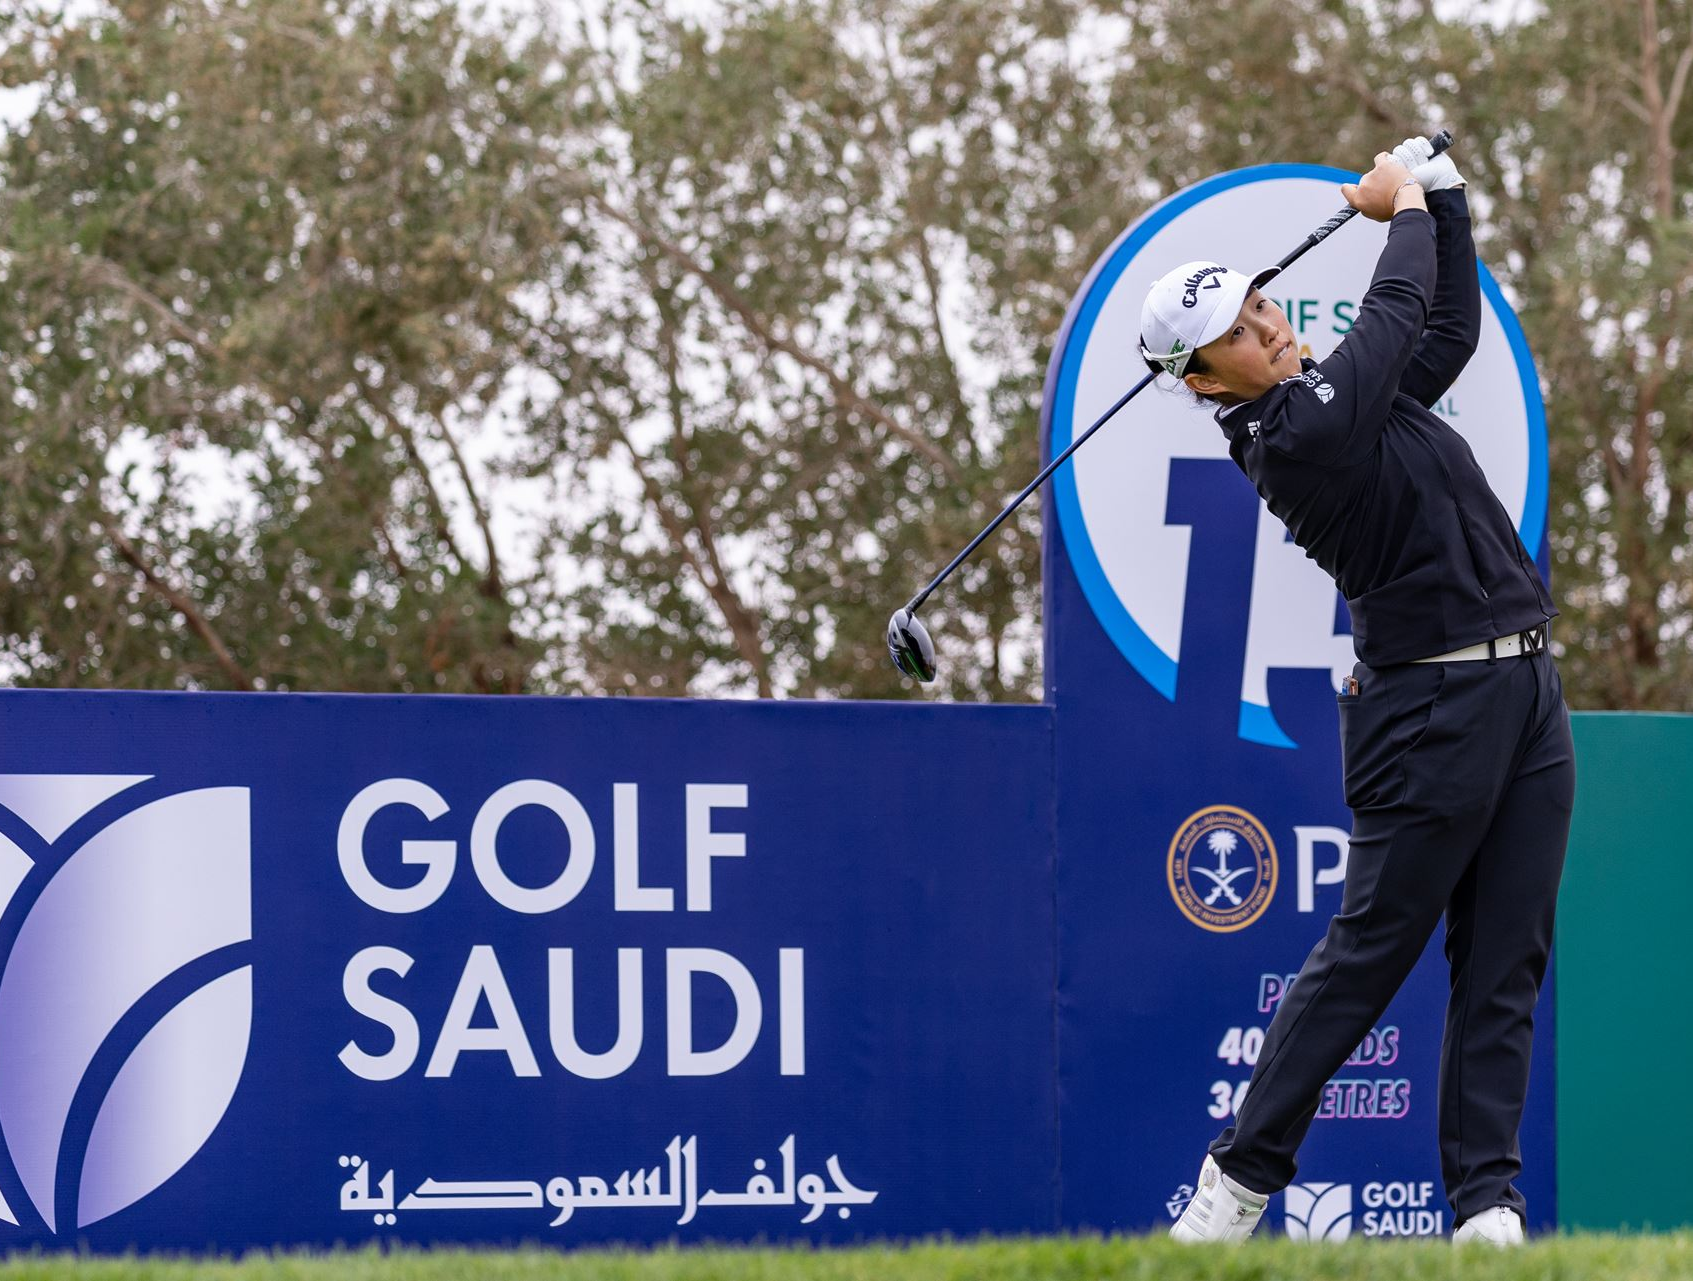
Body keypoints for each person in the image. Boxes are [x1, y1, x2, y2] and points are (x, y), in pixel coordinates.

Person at [1139, 139, 1573, 1247]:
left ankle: (1485, 1208)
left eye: (1260, 305)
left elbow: (1443, 331)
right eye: (1237, 332)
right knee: (1368, 954)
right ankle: (1233, 1187)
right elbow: (1392, 315)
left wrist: (1447, 204)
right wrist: (1403, 207)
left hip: (1526, 692)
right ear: (1204, 381)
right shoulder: (1291, 437)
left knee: (1505, 960)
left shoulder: (1341, 401)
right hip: (1426, 713)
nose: (1268, 325)